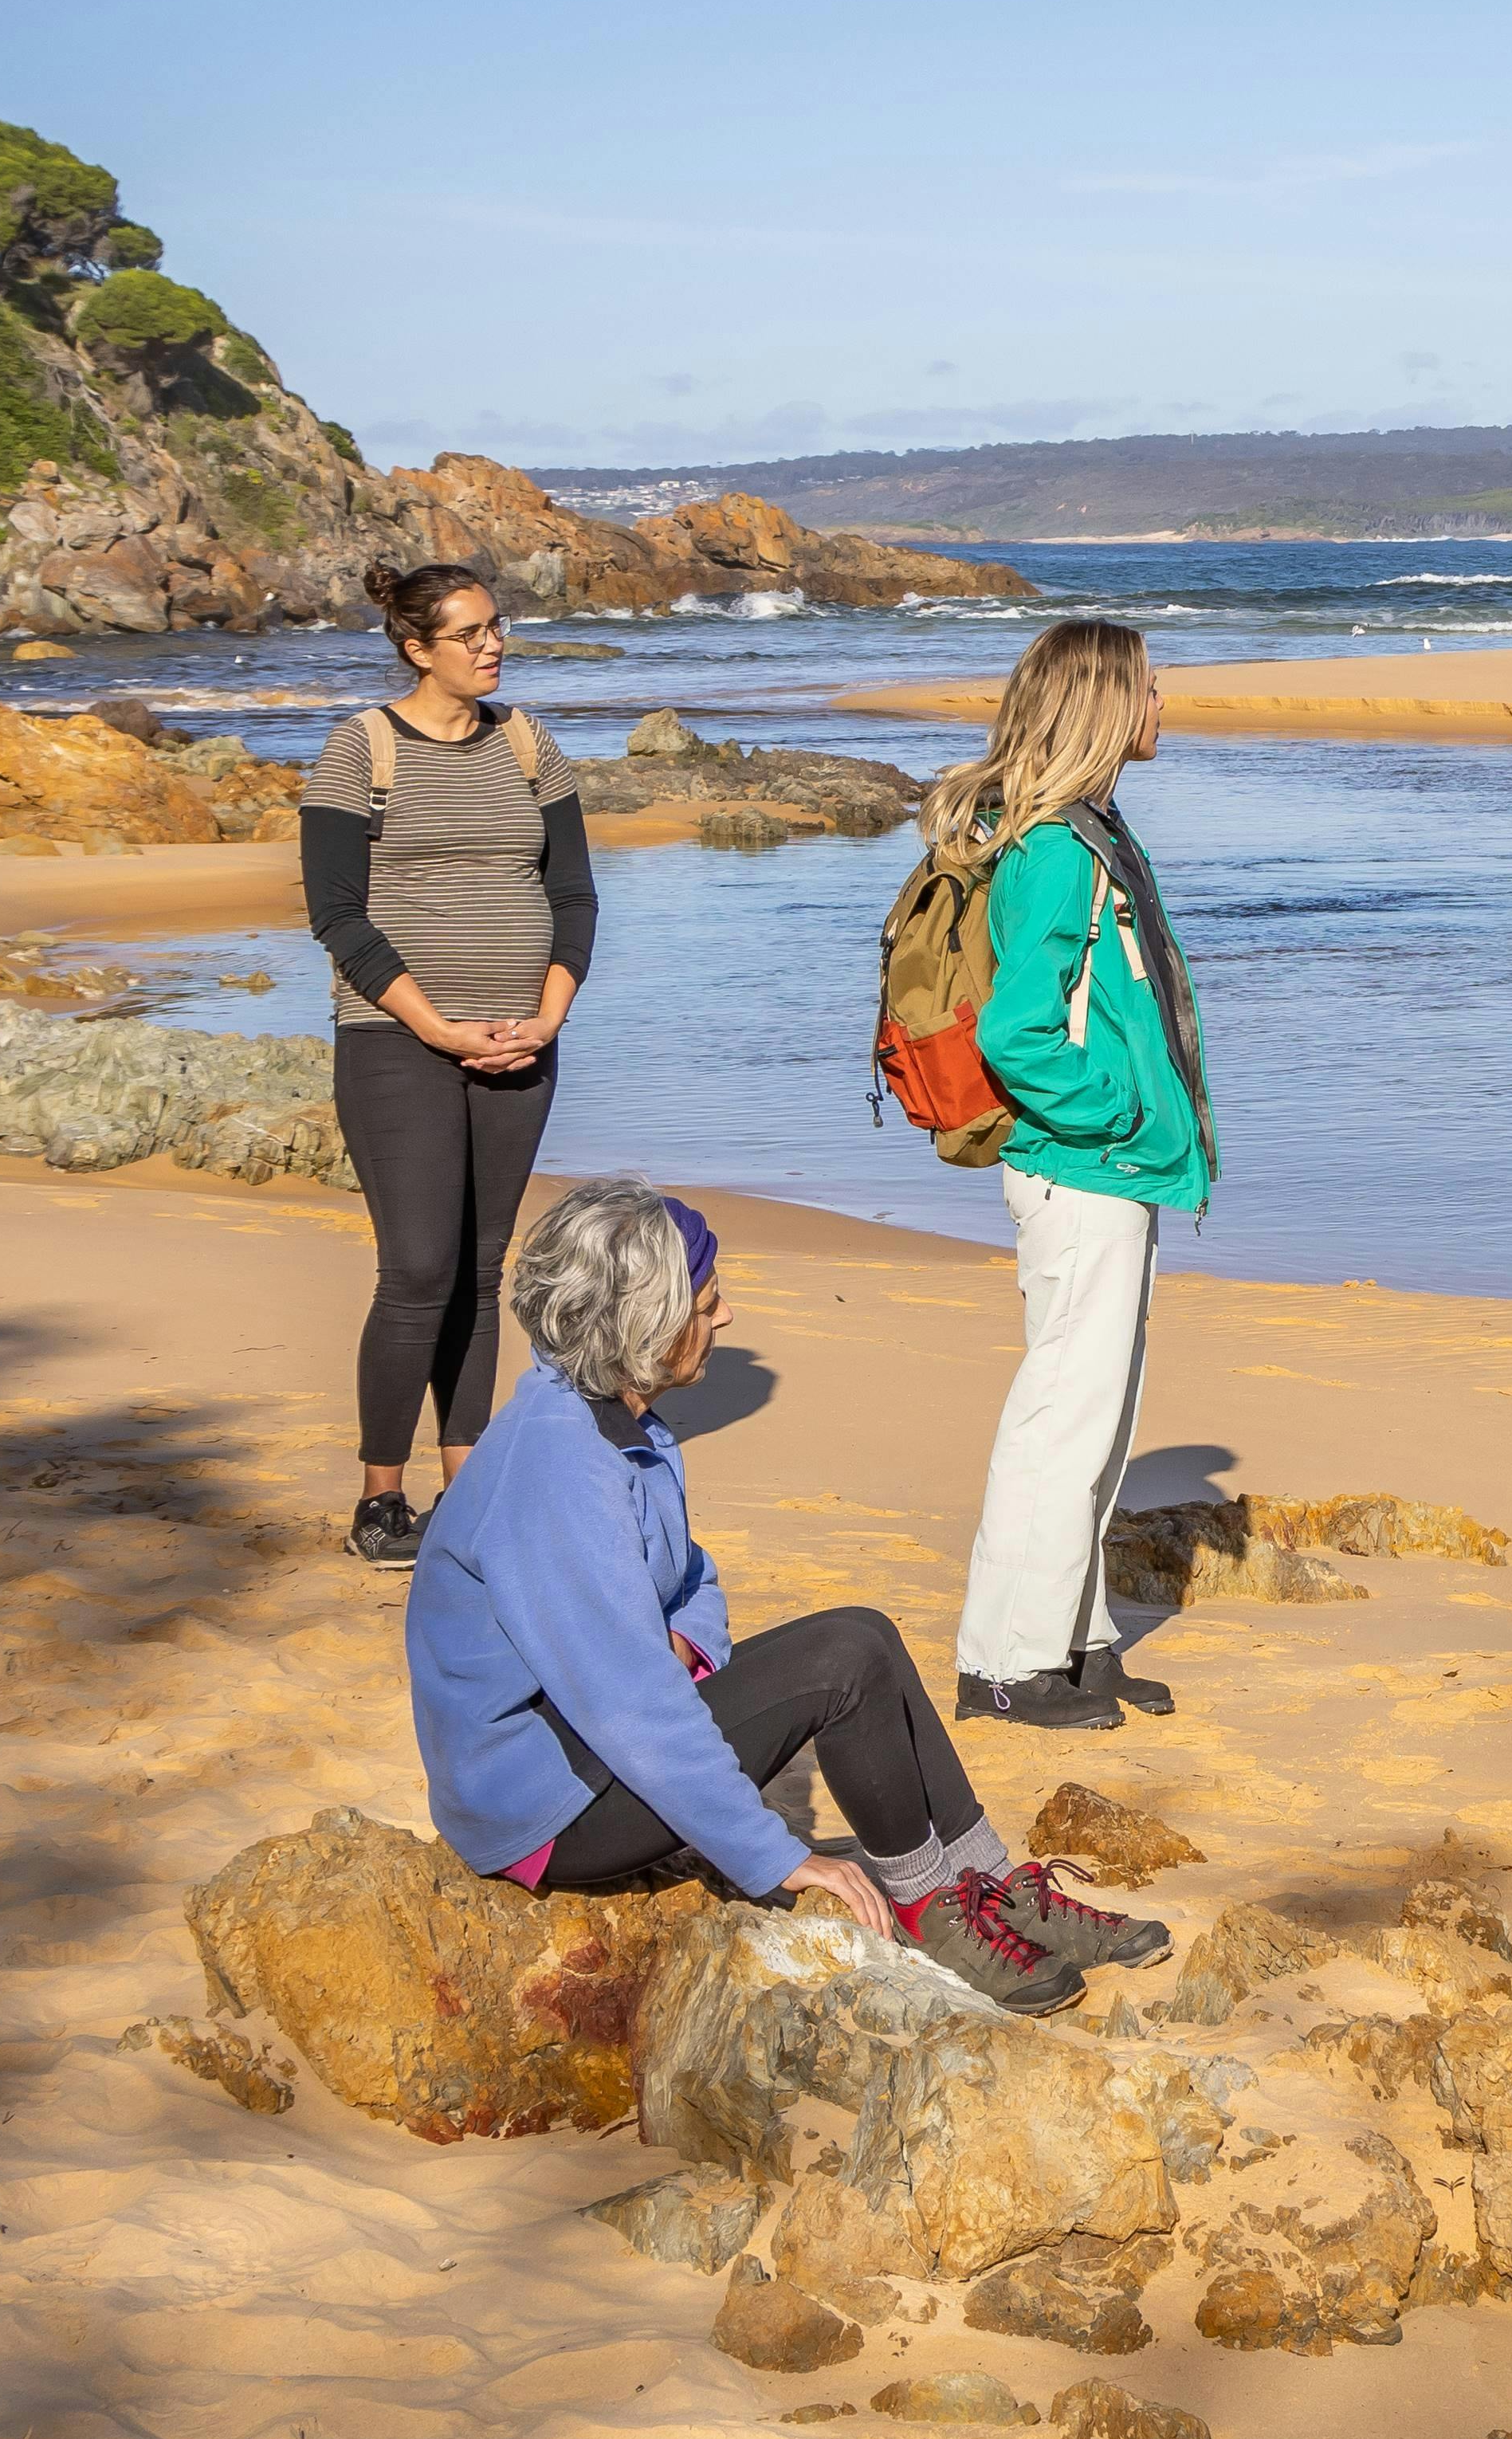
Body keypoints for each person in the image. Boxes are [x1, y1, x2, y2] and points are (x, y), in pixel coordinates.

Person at [401, 1176, 1163, 2007]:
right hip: (543, 1806)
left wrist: (676, 1645)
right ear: (643, 1321)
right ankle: (927, 1908)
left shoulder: (619, 1422)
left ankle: (992, 1883)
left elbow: (693, 1579)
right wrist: (775, 1857)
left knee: (863, 1632)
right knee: (841, 1662)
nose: (722, 1315)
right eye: (706, 1299)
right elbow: (631, 1709)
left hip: (584, 1754)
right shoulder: (556, 1466)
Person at [937, 617, 1218, 1735]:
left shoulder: (1091, 833)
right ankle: (1004, 1665)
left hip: (1113, 1169)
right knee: (1061, 1418)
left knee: (1096, 1418)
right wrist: (1122, 1111)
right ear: (1105, 707)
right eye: (1150, 688)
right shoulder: (1055, 851)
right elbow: (1016, 1034)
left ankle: (1078, 1644)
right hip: (1083, 1167)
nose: (1166, 703)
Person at [305, 560, 590, 1565]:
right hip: (396, 1043)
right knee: (419, 1268)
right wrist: (435, 1026)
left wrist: (546, 1016)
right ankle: (380, 1497)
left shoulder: (526, 742)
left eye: (495, 627)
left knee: (479, 1270)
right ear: (415, 648)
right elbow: (337, 916)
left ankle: (464, 1489)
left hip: (520, 1043)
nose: (490, 645)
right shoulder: (361, 748)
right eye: (467, 633)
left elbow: (574, 899)